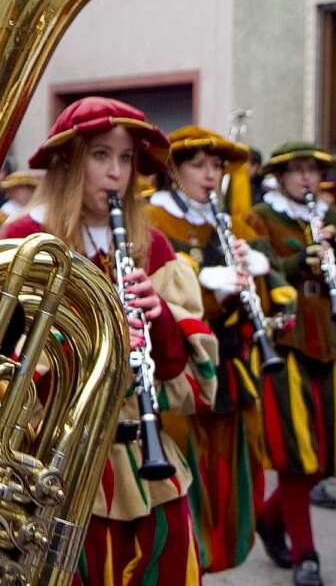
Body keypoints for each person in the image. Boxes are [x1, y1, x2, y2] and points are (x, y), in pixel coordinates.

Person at [0, 97, 218, 586]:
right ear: (68, 160)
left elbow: (189, 386)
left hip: (143, 460)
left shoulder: (151, 244)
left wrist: (158, 320)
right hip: (52, 464)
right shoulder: (24, 238)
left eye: (125, 158)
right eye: (100, 155)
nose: (116, 172)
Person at [146, 126, 294, 572]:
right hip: (177, 368)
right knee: (182, 470)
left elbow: (258, 302)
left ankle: (214, 556)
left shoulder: (226, 222)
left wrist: (255, 281)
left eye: (216, 166)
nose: (211, 175)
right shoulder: (152, 220)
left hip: (228, 364)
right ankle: (189, 560)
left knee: (231, 468)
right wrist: (202, 278)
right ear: (174, 170)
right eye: (199, 165)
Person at [249, 142, 336, 586]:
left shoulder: (328, 218)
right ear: (281, 177)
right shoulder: (261, 217)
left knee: (326, 457)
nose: (306, 178)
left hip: (330, 340)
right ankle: (307, 555)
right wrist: (298, 260)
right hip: (286, 342)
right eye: (297, 171)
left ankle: (268, 518)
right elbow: (262, 272)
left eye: (312, 170)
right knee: (298, 453)